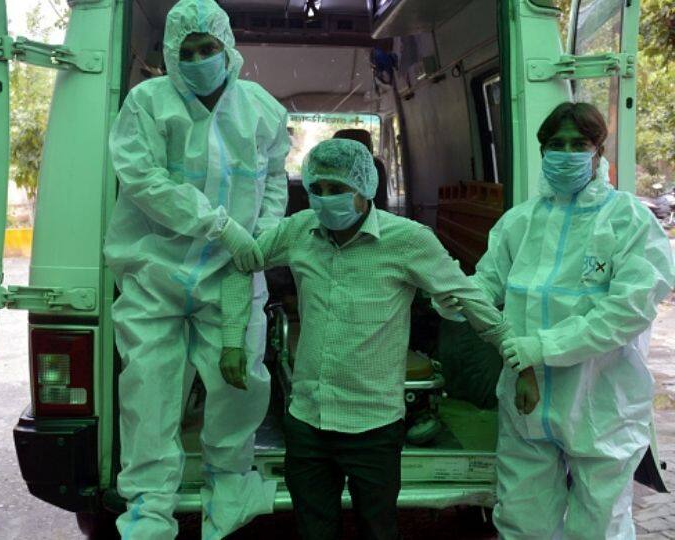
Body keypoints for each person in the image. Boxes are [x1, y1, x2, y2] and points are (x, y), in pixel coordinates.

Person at [219, 138, 512, 540]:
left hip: (373, 426)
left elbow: (467, 297)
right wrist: (232, 341)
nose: (325, 199)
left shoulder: (409, 240)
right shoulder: (298, 230)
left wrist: (516, 355)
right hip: (308, 420)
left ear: (364, 188)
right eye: (317, 188)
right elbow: (242, 263)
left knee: (378, 530)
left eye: (337, 189)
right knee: (313, 531)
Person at [103, 1, 291, 538]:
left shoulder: (260, 108)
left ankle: (228, 493)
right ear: (170, 54)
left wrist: (263, 233)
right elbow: (144, 181)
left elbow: (276, 176)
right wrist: (221, 226)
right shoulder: (147, 102)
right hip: (155, 274)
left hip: (233, 276)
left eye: (208, 48)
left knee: (240, 386)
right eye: (186, 52)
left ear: (227, 47)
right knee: (149, 394)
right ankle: (148, 513)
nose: (199, 60)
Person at [472, 102, 675, 539]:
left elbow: (628, 310)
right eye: (556, 144)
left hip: (600, 401)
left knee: (599, 526)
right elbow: (485, 287)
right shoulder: (519, 223)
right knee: (523, 523)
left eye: (578, 144)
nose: (566, 154)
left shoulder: (628, 220)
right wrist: (451, 294)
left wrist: (543, 347)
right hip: (526, 401)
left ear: (599, 151)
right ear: (542, 150)